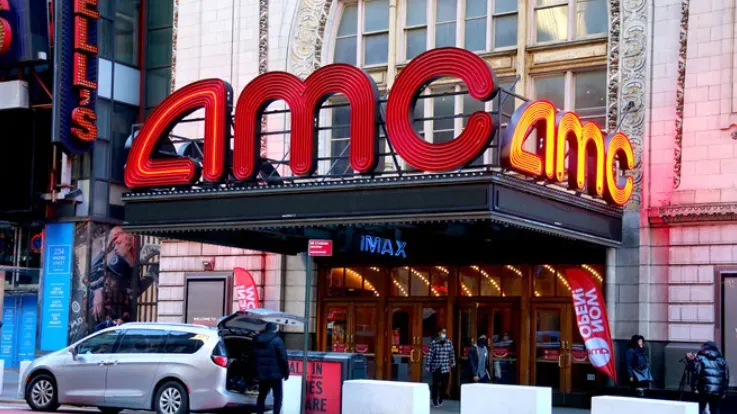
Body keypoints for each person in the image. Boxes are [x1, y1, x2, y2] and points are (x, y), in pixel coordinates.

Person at [252, 322, 289, 414]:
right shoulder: (277, 341)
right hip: (276, 375)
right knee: (278, 397)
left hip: (262, 375)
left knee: (261, 396)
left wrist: (254, 372)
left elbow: (252, 357)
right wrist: (286, 372)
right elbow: (283, 358)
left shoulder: (256, 340)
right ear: (274, 330)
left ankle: (259, 412)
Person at [691, 341, 730, 414]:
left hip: (703, 389)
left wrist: (694, 387)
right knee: (715, 409)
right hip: (717, 390)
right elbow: (726, 377)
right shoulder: (722, 360)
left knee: (700, 409)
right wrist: (724, 391)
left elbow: (696, 373)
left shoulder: (700, 358)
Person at [425, 328, 456, 408]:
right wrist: (427, 365)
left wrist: (453, 362)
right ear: (439, 333)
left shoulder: (449, 343)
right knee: (435, 384)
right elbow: (430, 354)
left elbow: (452, 353)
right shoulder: (434, 343)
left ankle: (441, 397)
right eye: (442, 332)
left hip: (445, 367)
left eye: (445, 332)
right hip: (436, 366)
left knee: (445, 384)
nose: (444, 334)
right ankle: (434, 400)